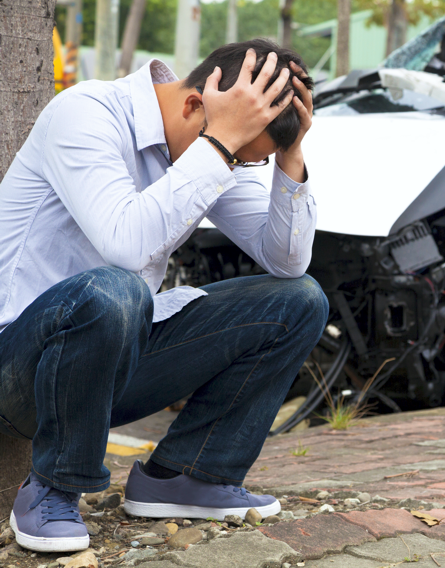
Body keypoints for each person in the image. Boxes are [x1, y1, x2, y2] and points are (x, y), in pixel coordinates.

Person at [0, 39, 328, 553]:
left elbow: (287, 261)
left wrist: (289, 153)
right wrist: (221, 146)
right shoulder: (87, 113)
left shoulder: (217, 141)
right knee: (116, 288)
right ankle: (52, 489)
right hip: (16, 366)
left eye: (246, 162)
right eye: (239, 156)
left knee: (299, 300)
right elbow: (126, 245)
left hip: (108, 365)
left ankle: (186, 475)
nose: (233, 167)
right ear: (197, 105)